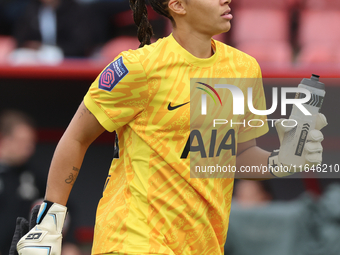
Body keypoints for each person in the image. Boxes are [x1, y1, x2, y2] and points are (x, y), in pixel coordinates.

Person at [14, 0, 327, 254]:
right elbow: (76, 138)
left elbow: (238, 154)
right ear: (178, 5)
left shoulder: (243, 68)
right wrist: (50, 218)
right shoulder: (138, 67)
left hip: (202, 244)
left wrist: (282, 159)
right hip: (133, 240)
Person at [0, 110, 41, 255]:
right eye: (22, 141)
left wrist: (69, 244)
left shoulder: (33, 175)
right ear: (4, 139)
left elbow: (65, 209)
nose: (29, 148)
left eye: (31, 142)